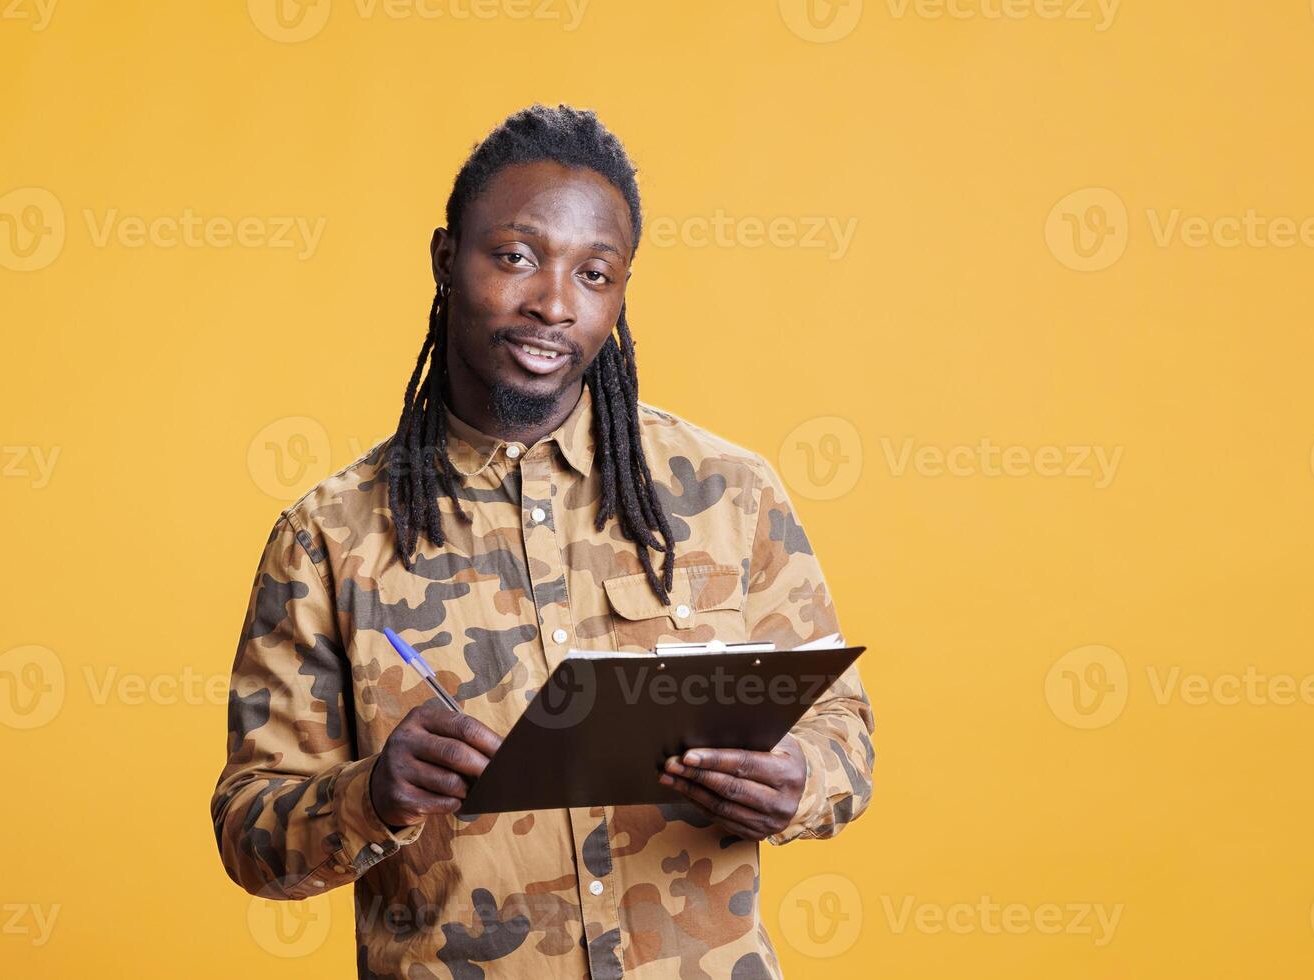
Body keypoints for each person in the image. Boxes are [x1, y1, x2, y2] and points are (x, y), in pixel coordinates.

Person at [210, 103, 875, 979]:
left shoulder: (729, 493)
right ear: (448, 260)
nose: (555, 304)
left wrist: (799, 780)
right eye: (515, 257)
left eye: (595, 273)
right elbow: (250, 835)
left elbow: (844, 731)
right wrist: (371, 795)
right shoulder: (327, 539)